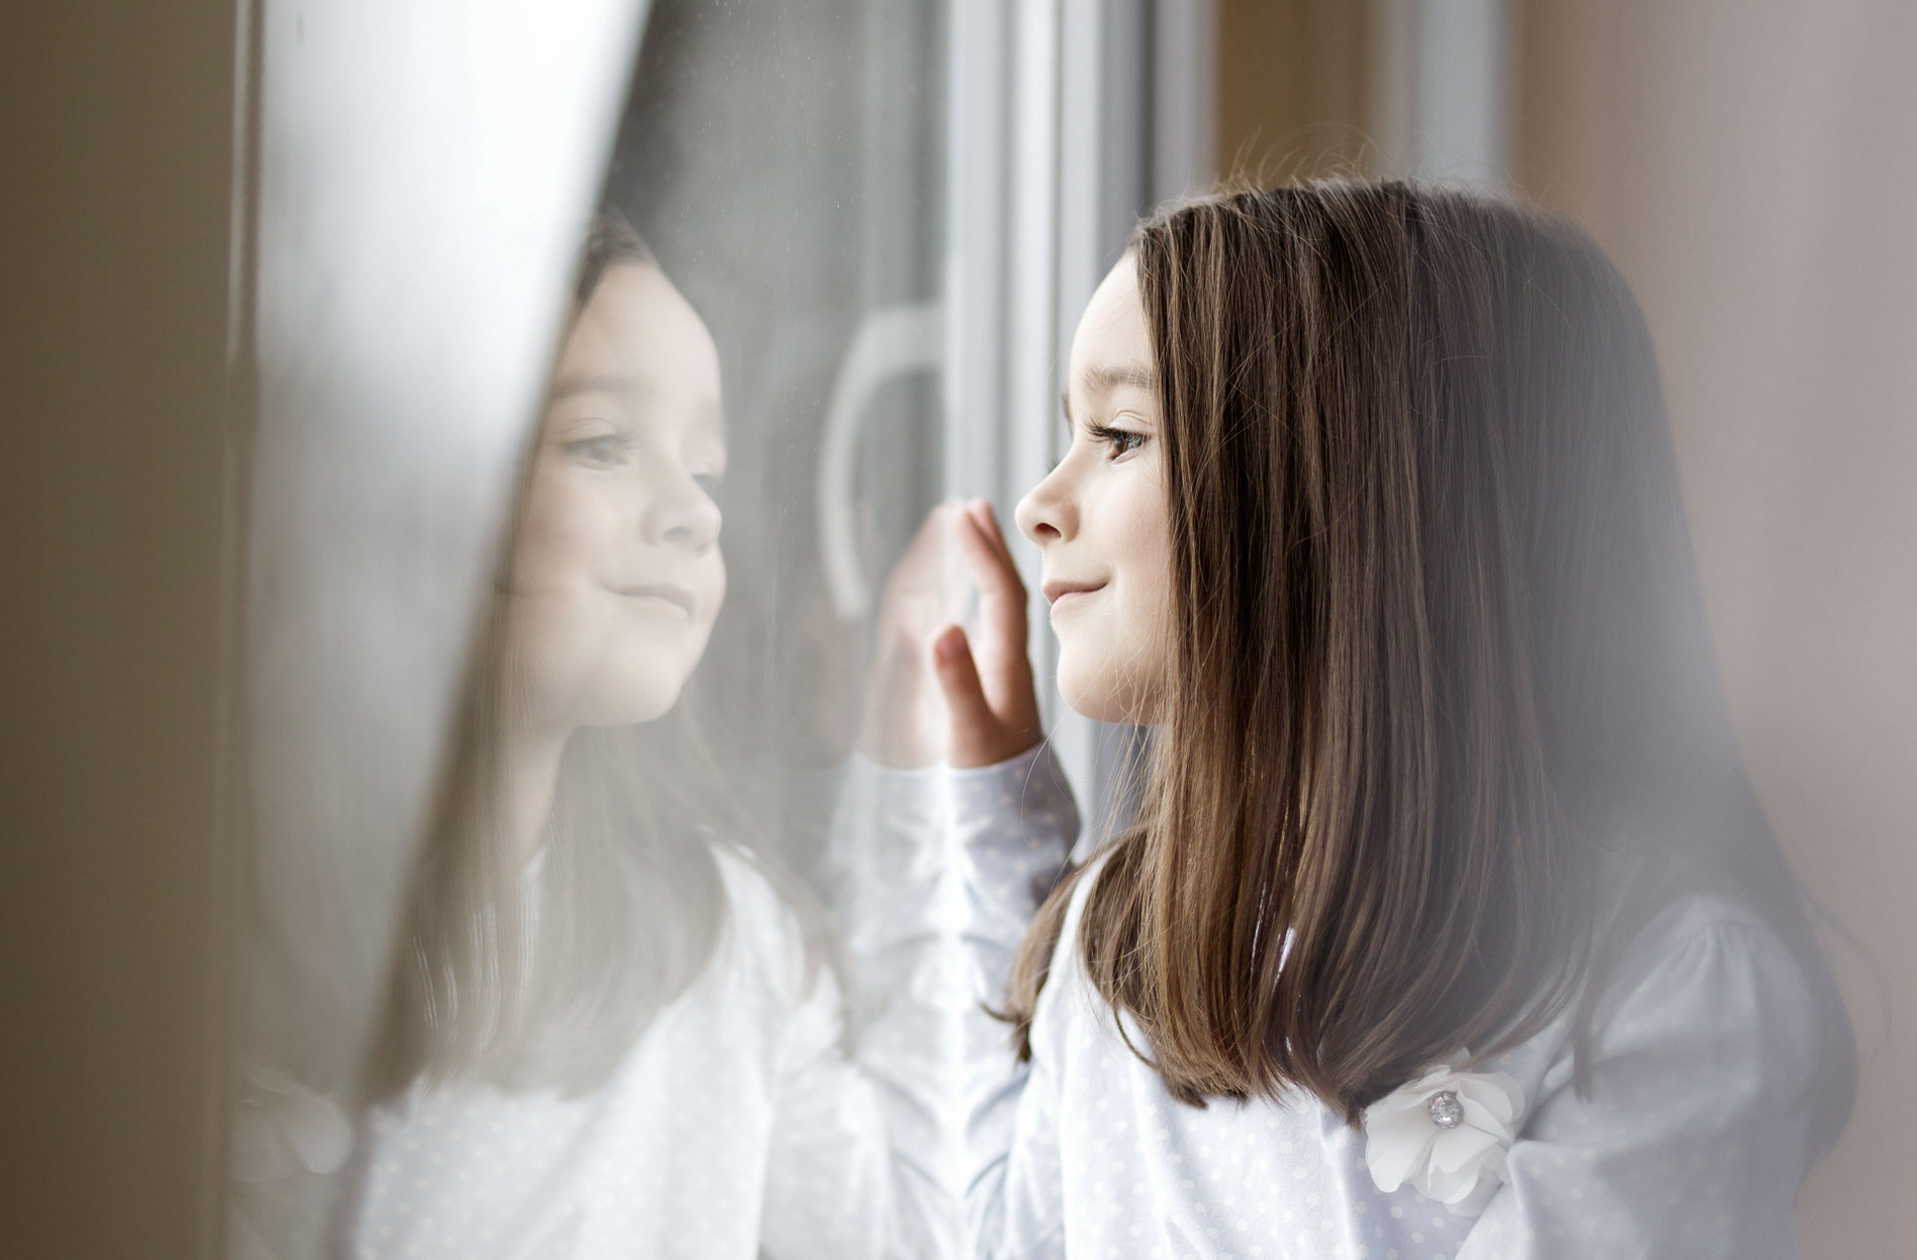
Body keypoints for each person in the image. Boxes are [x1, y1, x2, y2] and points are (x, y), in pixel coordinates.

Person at [882, 180, 1855, 1258]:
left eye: (1119, 434)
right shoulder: (1117, 937)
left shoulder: (1666, 986)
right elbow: (1002, 1231)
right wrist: (1000, 817)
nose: (1037, 502)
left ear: (1356, 509)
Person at [231, 212, 1064, 1260]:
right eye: (600, 446)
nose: (693, 513)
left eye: (705, 470)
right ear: (418, 485)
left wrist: (920, 797)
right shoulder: (223, 963)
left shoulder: (729, 944)